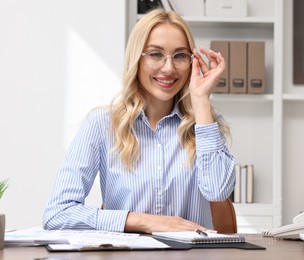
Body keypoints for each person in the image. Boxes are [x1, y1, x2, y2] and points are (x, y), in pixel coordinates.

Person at [43, 8, 235, 233]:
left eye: (180, 55)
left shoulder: (205, 123)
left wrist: (201, 100)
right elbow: (57, 214)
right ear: (137, 59)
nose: (168, 68)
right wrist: (142, 221)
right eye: (155, 54)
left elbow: (218, 192)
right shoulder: (102, 124)